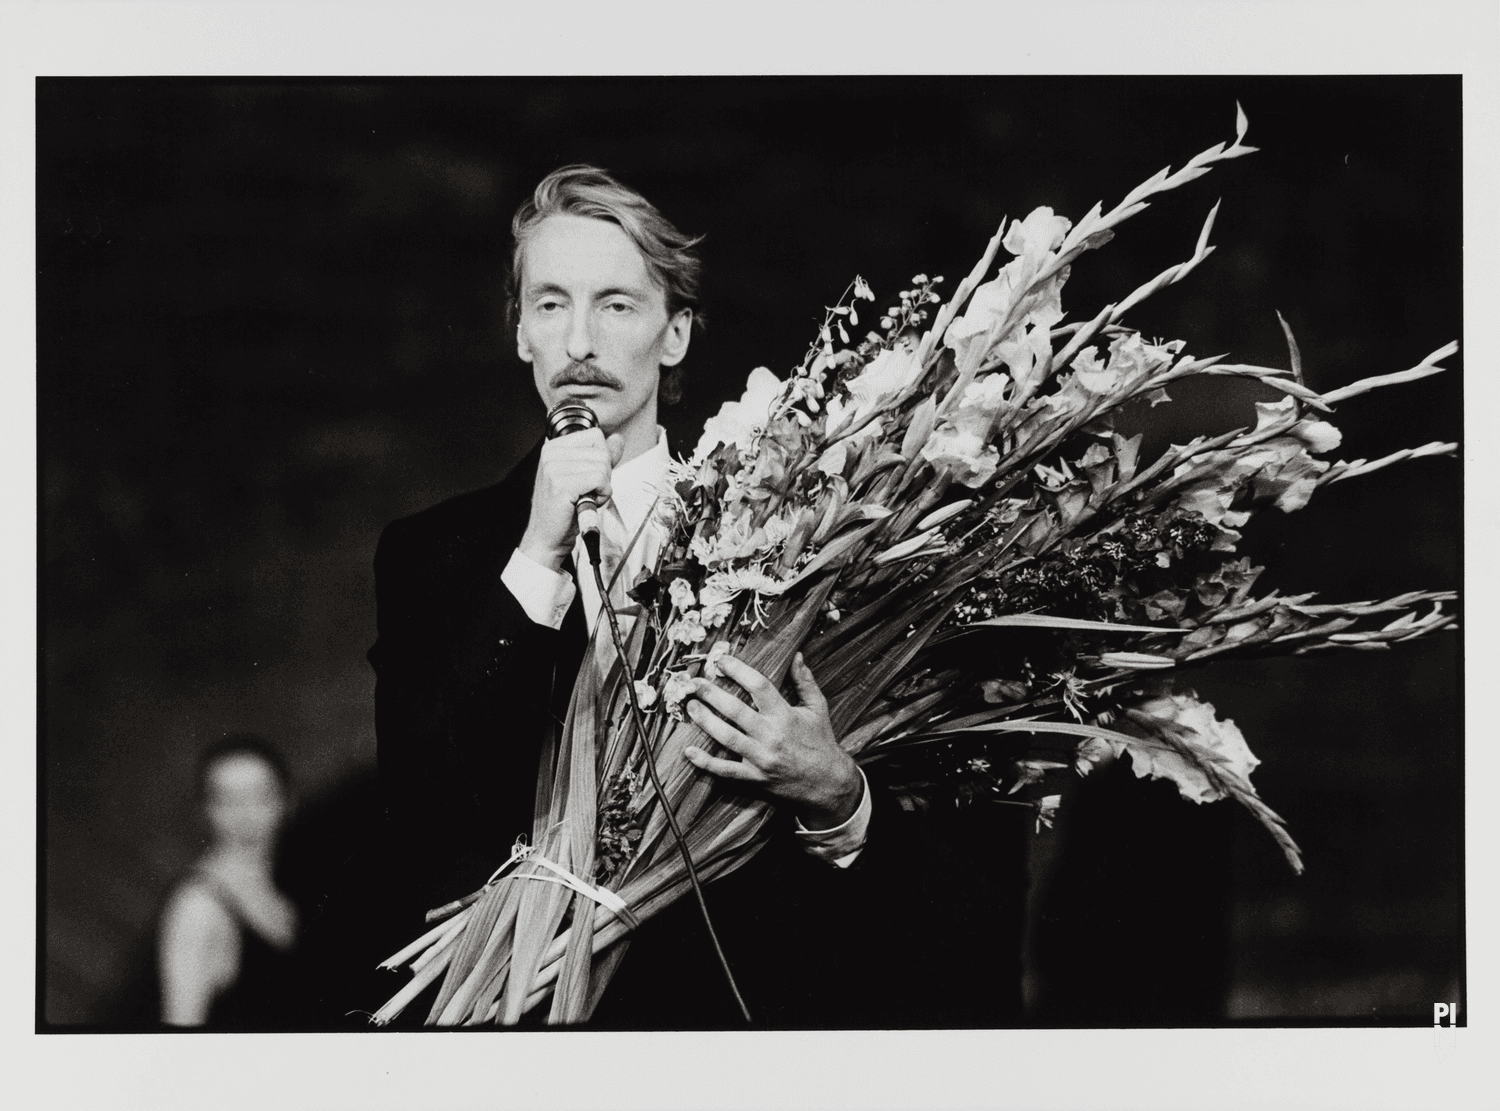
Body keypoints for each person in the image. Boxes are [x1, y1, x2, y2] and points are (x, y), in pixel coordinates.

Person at [369, 165, 1026, 1028]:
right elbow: (422, 805)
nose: (579, 345)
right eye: (550, 305)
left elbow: (958, 887)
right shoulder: (433, 554)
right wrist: (539, 553)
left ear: (674, 335)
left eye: (616, 304)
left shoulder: (798, 532)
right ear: (520, 333)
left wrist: (835, 792)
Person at [156, 734, 302, 1029]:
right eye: (227, 800)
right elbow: (180, 1034)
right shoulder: (197, 907)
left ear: (287, 802)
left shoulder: (284, 889)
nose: (245, 816)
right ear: (204, 810)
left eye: (260, 797)